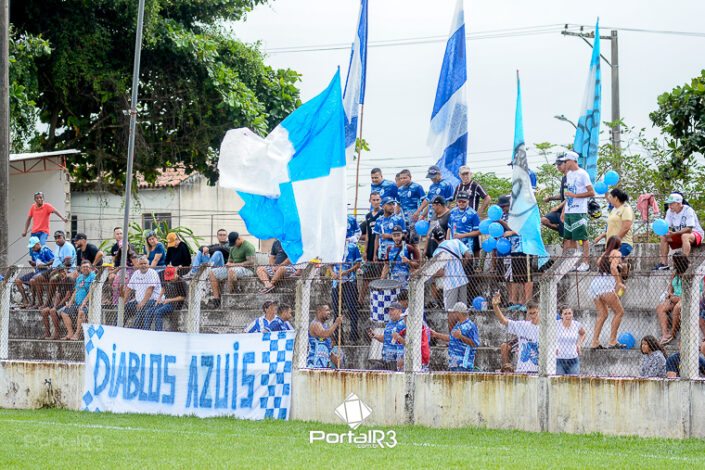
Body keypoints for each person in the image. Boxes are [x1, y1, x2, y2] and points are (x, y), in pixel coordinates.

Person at [497, 194, 533, 311]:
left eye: (505, 206)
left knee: (527, 277)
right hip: (513, 248)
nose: (503, 209)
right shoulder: (503, 215)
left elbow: (526, 228)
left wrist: (511, 232)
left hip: (524, 247)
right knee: (517, 276)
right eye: (501, 207)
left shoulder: (520, 213)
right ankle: (518, 301)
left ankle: (528, 302)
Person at [589, 236, 627, 349]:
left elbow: (598, 263)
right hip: (606, 285)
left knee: (603, 314)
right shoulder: (617, 253)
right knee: (619, 312)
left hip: (596, 284)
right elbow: (613, 268)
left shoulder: (605, 253)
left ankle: (594, 342)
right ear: (618, 245)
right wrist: (619, 282)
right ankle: (612, 341)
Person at [560, 150, 594, 272]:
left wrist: (575, 196)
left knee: (583, 237)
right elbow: (568, 194)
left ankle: (586, 262)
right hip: (569, 210)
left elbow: (591, 192)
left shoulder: (583, 174)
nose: (565, 163)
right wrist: (564, 211)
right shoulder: (568, 175)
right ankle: (574, 262)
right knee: (571, 238)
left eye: (566, 161)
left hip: (579, 210)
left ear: (572, 161)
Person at [654, 192, 704, 270]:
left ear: (678, 203)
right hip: (680, 234)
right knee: (663, 236)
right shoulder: (670, 211)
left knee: (685, 236)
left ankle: (683, 263)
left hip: (695, 234)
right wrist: (666, 232)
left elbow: (689, 229)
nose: (669, 206)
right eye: (669, 204)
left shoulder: (688, 210)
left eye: (672, 204)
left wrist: (674, 233)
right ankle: (664, 263)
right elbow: (666, 226)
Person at [492, 293, 539, 373]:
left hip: (538, 370)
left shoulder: (545, 329)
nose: (532, 316)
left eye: (534, 313)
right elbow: (503, 321)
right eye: (530, 313)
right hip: (522, 369)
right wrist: (495, 306)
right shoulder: (523, 325)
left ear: (539, 310)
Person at [208, 232, 256, 308]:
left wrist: (234, 265)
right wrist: (227, 264)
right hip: (234, 268)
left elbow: (251, 263)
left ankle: (230, 295)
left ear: (239, 239)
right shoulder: (233, 248)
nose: (234, 245)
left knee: (231, 271)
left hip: (247, 270)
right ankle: (216, 299)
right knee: (212, 272)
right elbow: (230, 261)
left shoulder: (248, 247)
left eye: (234, 243)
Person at [432, 302, 480, 372]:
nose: (453, 315)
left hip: (463, 364)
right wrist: (436, 334)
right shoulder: (458, 324)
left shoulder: (470, 326)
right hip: (454, 363)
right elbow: (451, 338)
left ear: (458, 313)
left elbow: (475, 343)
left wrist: (461, 337)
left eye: (454, 313)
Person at [330, 240, 362, 342]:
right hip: (336, 283)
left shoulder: (353, 247)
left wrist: (346, 272)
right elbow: (329, 264)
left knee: (352, 308)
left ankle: (354, 335)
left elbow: (358, 264)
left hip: (349, 281)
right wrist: (332, 273)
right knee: (336, 310)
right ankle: (339, 336)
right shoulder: (333, 247)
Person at [655, 252, 690, 345]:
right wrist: (670, 294)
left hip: (685, 297)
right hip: (674, 297)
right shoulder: (675, 273)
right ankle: (665, 334)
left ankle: (673, 333)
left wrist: (676, 298)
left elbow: (689, 291)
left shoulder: (688, 272)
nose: (673, 263)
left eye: (674, 261)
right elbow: (670, 287)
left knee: (677, 308)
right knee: (660, 308)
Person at [430, 238, 473, 310]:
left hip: (450, 283)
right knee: (463, 308)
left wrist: (431, 275)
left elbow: (441, 273)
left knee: (450, 310)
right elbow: (468, 255)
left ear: (435, 239)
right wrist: (461, 266)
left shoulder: (437, 252)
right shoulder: (456, 241)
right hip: (462, 279)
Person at [59, 260, 96, 340]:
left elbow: (92, 291)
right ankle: (70, 333)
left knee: (81, 312)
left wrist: (84, 302)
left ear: (90, 268)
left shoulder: (93, 276)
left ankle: (77, 334)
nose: (85, 268)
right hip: (77, 303)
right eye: (83, 267)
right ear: (81, 269)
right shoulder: (79, 277)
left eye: (87, 267)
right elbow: (76, 291)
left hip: (88, 304)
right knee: (64, 313)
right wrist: (70, 302)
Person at [40, 231, 76, 308]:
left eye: (59, 237)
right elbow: (54, 259)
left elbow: (68, 263)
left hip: (66, 270)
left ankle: (48, 302)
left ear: (64, 237)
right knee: (36, 279)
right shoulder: (58, 246)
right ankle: (39, 303)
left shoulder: (67, 246)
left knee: (53, 279)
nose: (57, 239)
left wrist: (55, 270)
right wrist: (44, 265)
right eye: (55, 238)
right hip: (55, 268)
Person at [594, 188, 634, 258]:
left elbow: (626, 227)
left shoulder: (626, 208)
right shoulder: (614, 209)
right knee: (601, 262)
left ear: (615, 198)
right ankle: (623, 264)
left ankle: (623, 264)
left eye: (610, 197)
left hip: (622, 243)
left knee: (614, 262)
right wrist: (601, 236)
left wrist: (615, 241)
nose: (609, 199)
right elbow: (613, 228)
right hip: (611, 244)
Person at [16, 236, 54, 308]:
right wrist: (33, 263)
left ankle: (36, 302)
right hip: (37, 272)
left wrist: (45, 265)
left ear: (38, 244)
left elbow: (53, 260)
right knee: (18, 281)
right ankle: (25, 301)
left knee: (33, 280)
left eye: (33, 247)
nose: (32, 248)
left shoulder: (45, 250)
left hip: (46, 272)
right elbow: (37, 263)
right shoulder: (34, 252)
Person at [124, 256, 162, 327]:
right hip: (138, 301)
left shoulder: (152, 273)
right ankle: (118, 327)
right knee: (125, 307)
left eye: (145, 263)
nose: (143, 265)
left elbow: (149, 291)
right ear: (138, 265)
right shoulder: (136, 273)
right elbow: (128, 288)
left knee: (141, 309)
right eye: (141, 264)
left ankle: (137, 329)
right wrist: (123, 302)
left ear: (148, 264)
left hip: (153, 300)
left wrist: (142, 303)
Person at [359, 192, 384, 302]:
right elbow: (368, 235)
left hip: (379, 250)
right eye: (373, 200)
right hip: (369, 249)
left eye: (377, 200)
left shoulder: (383, 214)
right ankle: (360, 301)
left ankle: (377, 301)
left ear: (380, 200)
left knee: (378, 277)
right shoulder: (368, 216)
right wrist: (365, 251)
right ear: (370, 201)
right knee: (366, 278)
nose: (376, 202)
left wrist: (376, 253)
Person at [368, 302, 406, 371]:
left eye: (392, 310)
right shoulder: (389, 323)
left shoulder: (404, 323)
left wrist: (401, 359)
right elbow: (385, 338)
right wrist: (375, 336)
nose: (390, 312)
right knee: (371, 371)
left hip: (396, 360)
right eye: (389, 310)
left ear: (400, 311)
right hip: (385, 359)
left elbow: (408, 342)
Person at [380, 226, 420, 290]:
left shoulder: (409, 248)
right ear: (392, 236)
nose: (396, 238)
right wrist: (382, 279)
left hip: (406, 283)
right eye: (394, 235)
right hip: (392, 282)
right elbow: (386, 265)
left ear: (402, 235)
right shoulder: (389, 249)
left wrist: (408, 261)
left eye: (398, 235)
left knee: (404, 296)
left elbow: (417, 265)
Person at [40, 269, 73, 340]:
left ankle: (57, 333)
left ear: (65, 272)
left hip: (66, 303)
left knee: (52, 311)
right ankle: (47, 332)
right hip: (59, 303)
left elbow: (68, 295)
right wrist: (55, 305)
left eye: (63, 272)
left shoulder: (69, 280)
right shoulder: (61, 281)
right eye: (60, 272)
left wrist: (58, 306)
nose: (62, 273)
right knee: (44, 311)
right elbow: (58, 295)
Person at [308, 304, 343, 369]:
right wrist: (336, 323)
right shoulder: (315, 324)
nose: (329, 312)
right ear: (319, 311)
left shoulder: (324, 325)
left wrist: (334, 357)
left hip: (325, 359)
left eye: (329, 310)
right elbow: (325, 334)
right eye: (327, 310)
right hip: (315, 362)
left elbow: (329, 342)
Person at [541, 156, 568, 239]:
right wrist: (550, 198)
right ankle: (561, 229)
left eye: (560, 164)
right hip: (561, 209)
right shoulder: (564, 178)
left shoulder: (571, 178)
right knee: (544, 220)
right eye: (557, 165)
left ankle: (565, 232)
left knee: (568, 238)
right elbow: (562, 195)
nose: (558, 167)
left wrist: (557, 207)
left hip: (568, 209)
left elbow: (570, 197)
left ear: (566, 163)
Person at [373, 197, 406, 262]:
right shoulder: (378, 220)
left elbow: (405, 236)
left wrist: (389, 236)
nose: (392, 206)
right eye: (389, 204)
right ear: (383, 206)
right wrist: (375, 254)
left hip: (395, 253)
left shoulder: (399, 219)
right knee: (382, 268)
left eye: (393, 204)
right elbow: (376, 239)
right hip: (382, 253)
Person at [555, 305, 586, 375]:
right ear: (561, 315)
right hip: (559, 359)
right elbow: (549, 336)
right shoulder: (556, 324)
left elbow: (583, 334)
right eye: (565, 314)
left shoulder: (577, 324)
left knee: (574, 380)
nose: (568, 316)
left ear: (572, 314)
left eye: (569, 313)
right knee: (559, 381)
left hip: (573, 359)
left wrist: (579, 345)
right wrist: (554, 347)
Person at [110, 242, 138, 306]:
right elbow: (118, 266)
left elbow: (136, 266)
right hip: (121, 271)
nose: (124, 248)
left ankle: (125, 303)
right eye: (122, 247)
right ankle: (116, 303)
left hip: (130, 271)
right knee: (115, 285)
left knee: (124, 285)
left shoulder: (132, 255)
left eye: (125, 246)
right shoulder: (119, 255)